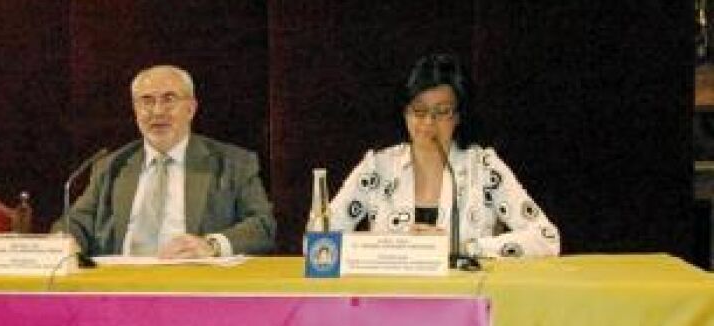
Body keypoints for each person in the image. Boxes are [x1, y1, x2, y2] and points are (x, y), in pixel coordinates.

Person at [321, 53, 560, 258]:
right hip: (392, 296)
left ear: (458, 116)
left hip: (462, 296)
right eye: (419, 110)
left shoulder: (483, 167)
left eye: (442, 111)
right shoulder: (377, 168)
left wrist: (461, 248)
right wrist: (382, 246)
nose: (428, 122)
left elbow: (546, 238)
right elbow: (318, 240)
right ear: (404, 112)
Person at [53, 65, 276, 258]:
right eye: (147, 101)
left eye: (169, 99)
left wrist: (211, 245)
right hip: (122, 283)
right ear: (135, 110)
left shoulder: (233, 163)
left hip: (194, 282)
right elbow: (74, 223)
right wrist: (67, 242)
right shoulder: (112, 166)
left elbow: (262, 225)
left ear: (191, 109)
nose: (158, 111)